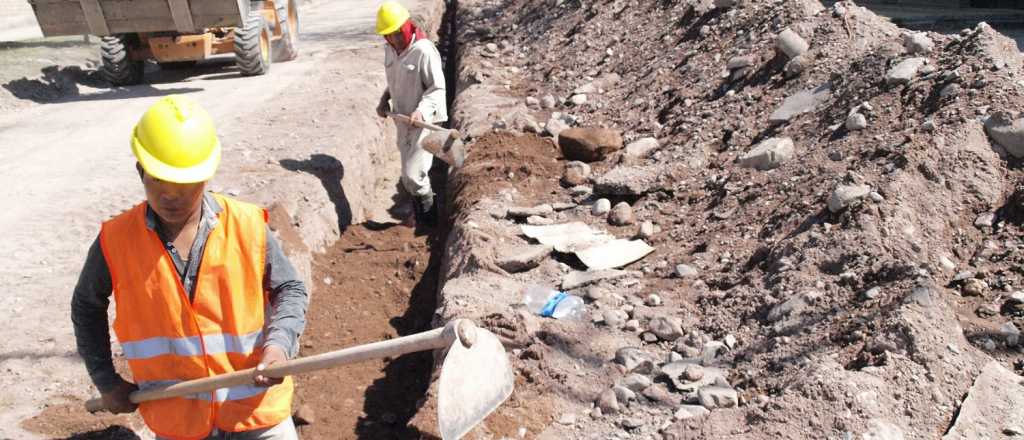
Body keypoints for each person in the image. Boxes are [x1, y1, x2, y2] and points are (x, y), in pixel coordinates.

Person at [71, 95, 309, 440]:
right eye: (159, 181)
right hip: (177, 420)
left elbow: (290, 289)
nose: (171, 196)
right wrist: (105, 380)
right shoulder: (116, 240)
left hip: (256, 413)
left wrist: (278, 346)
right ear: (140, 170)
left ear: (205, 176)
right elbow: (86, 306)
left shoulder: (246, 225)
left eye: (184, 185)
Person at [374, 1, 448, 227]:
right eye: (389, 36)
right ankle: (419, 213)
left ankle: (428, 223)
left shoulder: (424, 51)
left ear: (407, 26)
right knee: (408, 175)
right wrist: (385, 98)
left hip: (424, 122)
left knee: (414, 176)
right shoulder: (390, 49)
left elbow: (437, 88)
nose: (395, 40)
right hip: (403, 120)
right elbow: (396, 80)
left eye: (398, 33)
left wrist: (422, 111)